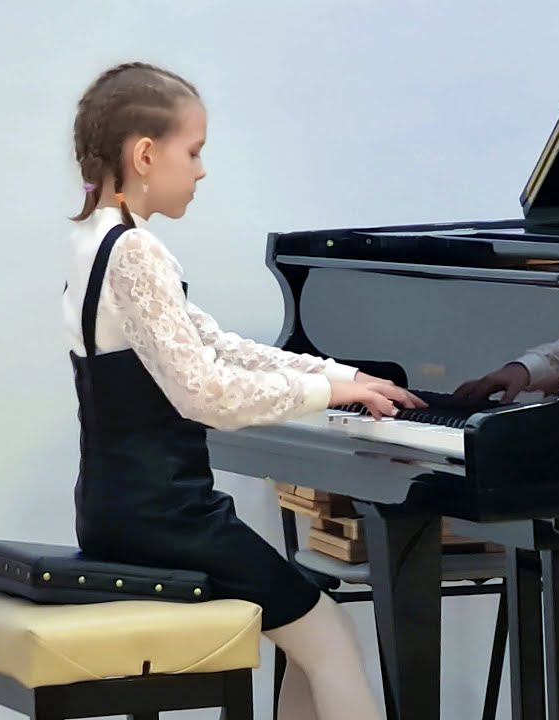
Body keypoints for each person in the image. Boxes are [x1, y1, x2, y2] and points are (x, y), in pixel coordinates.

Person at [64, 62, 423, 720]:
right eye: (194, 152)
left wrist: (338, 377)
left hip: (117, 507)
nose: (201, 171)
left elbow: (217, 344)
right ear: (145, 155)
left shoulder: (96, 241)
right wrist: (326, 394)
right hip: (165, 516)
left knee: (313, 630)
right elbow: (206, 393)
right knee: (330, 635)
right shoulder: (137, 252)